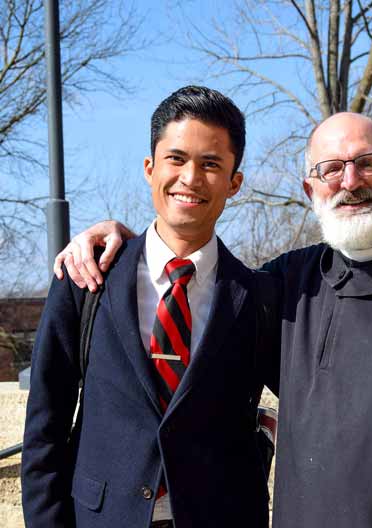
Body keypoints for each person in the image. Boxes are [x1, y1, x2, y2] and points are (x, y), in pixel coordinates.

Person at [55, 112, 372, 528]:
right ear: (309, 189)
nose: (350, 181)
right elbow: (187, 293)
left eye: (368, 163)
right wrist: (124, 241)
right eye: (330, 168)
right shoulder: (283, 286)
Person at [22, 86, 279, 528]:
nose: (191, 178)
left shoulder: (258, 297)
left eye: (211, 164)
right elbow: (44, 428)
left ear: (235, 182)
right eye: (176, 159)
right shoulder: (87, 280)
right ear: (149, 167)